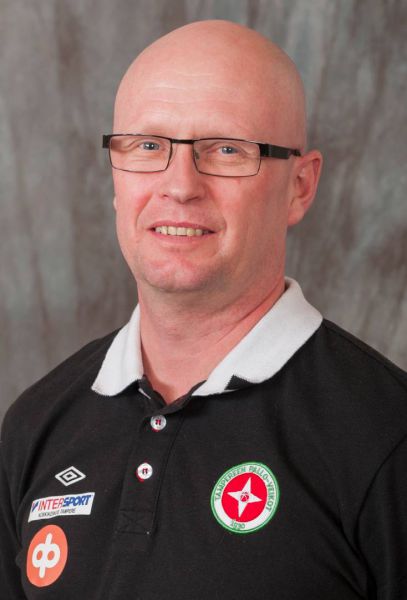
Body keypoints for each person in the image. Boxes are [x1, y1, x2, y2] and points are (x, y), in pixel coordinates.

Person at [1, 19, 406, 600]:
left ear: (300, 186)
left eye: (226, 149)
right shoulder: (36, 425)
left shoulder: (386, 437)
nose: (180, 185)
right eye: (148, 146)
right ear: (114, 175)